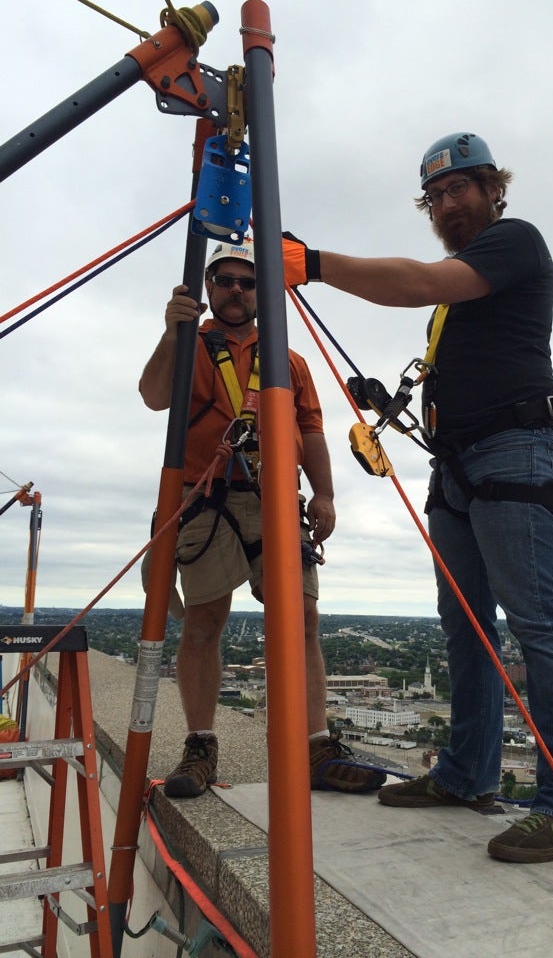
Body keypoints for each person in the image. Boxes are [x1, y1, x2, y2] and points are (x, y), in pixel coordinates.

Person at [282, 133, 553, 863]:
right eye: (435, 196)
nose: (447, 203)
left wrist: (316, 265)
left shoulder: (515, 243)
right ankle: (467, 774)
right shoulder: (457, 305)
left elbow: (421, 280)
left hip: (512, 451)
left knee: (538, 624)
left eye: (461, 187)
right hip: (461, 465)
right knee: (466, 627)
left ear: (494, 190)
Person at [139, 238, 386, 798]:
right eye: (225, 280)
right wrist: (173, 331)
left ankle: (316, 745)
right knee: (205, 620)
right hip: (206, 495)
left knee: (302, 618)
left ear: (262, 292)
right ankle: (200, 744)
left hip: (273, 496)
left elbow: (311, 431)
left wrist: (324, 495)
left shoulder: (287, 361)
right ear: (209, 287)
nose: (236, 290)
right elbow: (154, 397)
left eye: (247, 282)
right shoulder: (192, 346)